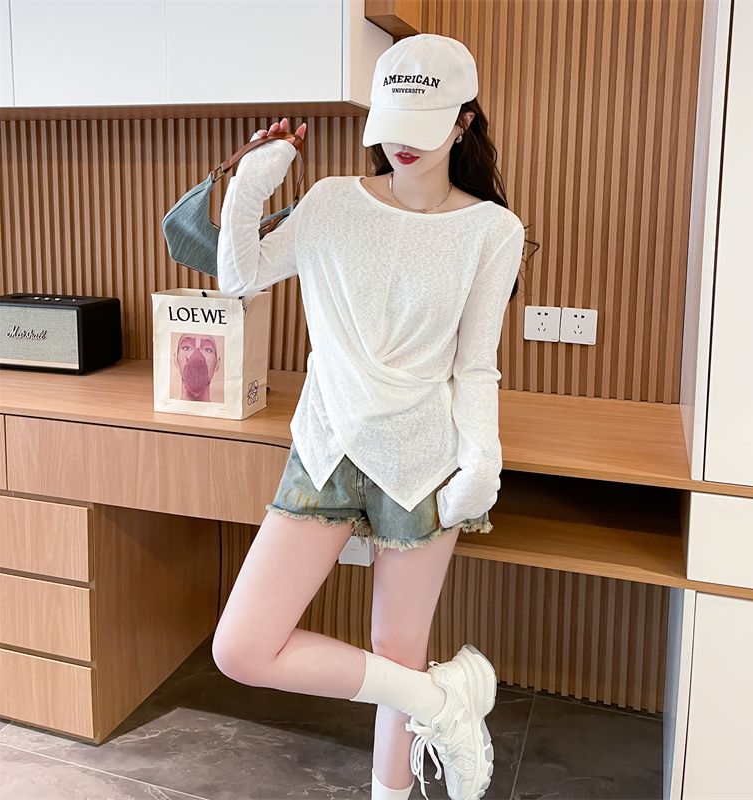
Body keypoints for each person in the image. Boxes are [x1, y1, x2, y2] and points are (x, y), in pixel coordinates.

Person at [212, 33, 528, 800]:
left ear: (463, 123)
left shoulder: (492, 231)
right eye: (391, 126)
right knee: (243, 648)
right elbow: (239, 279)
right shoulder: (330, 203)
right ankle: (444, 703)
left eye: (423, 128)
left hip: (423, 459)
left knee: (398, 647)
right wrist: (250, 188)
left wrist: (481, 458)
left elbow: (475, 365)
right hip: (327, 447)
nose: (401, 146)